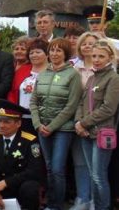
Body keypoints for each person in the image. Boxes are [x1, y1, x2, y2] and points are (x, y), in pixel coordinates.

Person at [29, 38, 83, 210]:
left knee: (58, 168)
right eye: (52, 50)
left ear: (65, 54)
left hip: (63, 129)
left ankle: (56, 205)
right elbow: (34, 102)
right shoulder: (43, 73)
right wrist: (38, 124)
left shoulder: (73, 74)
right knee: (50, 167)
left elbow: (72, 105)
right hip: (42, 127)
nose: (54, 53)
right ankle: (51, 203)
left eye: (58, 51)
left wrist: (52, 127)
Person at [75, 39, 119, 210]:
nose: (97, 59)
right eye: (94, 56)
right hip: (85, 132)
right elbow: (81, 102)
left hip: (102, 133)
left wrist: (84, 123)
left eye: (101, 56)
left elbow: (109, 108)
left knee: (99, 175)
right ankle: (95, 206)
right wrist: (79, 123)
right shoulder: (93, 77)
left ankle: (103, 207)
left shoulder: (114, 78)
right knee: (92, 174)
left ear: (110, 57)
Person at [70, 32, 101, 210]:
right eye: (84, 44)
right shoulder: (74, 69)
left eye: (92, 43)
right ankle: (82, 198)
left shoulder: (108, 68)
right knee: (80, 163)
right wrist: (79, 123)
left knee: (97, 168)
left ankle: (96, 202)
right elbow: (74, 99)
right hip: (78, 122)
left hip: (99, 124)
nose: (88, 46)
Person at [7, 38, 48, 134]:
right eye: (31, 53)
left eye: (38, 52)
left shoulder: (53, 71)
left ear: (47, 54)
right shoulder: (22, 70)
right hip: (22, 119)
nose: (34, 55)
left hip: (44, 121)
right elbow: (13, 92)